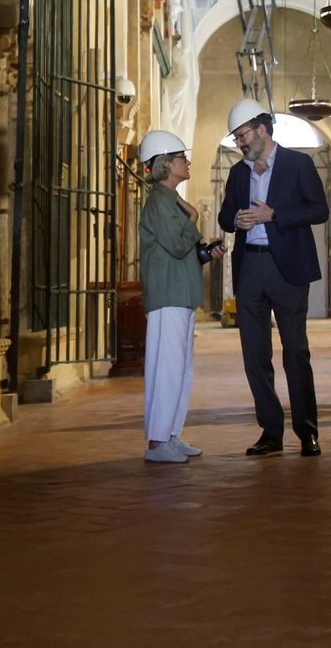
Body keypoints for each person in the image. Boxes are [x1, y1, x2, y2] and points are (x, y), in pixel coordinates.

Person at [217, 98, 331, 458]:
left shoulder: (299, 164)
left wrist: (274, 215)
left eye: (242, 136)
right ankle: (270, 431)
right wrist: (236, 220)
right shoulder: (238, 173)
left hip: (288, 269)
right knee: (255, 355)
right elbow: (224, 216)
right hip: (250, 267)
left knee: (295, 352)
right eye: (236, 138)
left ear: (262, 130)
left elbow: (320, 210)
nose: (239, 143)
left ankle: (307, 432)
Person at [137, 129, 227, 463]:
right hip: (167, 297)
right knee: (167, 369)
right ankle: (156, 444)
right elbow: (177, 245)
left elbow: (179, 252)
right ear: (165, 164)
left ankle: (170, 435)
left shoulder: (170, 200)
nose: (187, 162)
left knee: (180, 370)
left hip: (180, 294)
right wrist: (193, 218)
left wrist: (205, 253)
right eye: (181, 158)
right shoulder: (160, 202)